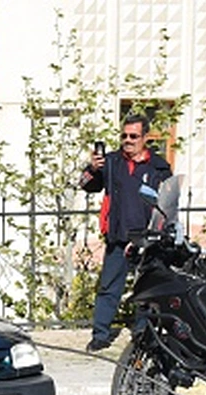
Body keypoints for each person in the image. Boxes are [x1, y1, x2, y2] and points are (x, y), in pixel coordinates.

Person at [79, 114, 172, 352]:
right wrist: (92, 168)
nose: (127, 141)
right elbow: (85, 184)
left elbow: (170, 200)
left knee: (148, 290)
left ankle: (143, 335)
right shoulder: (110, 162)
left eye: (133, 136)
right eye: (124, 136)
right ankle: (100, 335)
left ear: (145, 138)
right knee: (109, 288)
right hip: (119, 237)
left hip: (148, 239)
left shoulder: (159, 166)